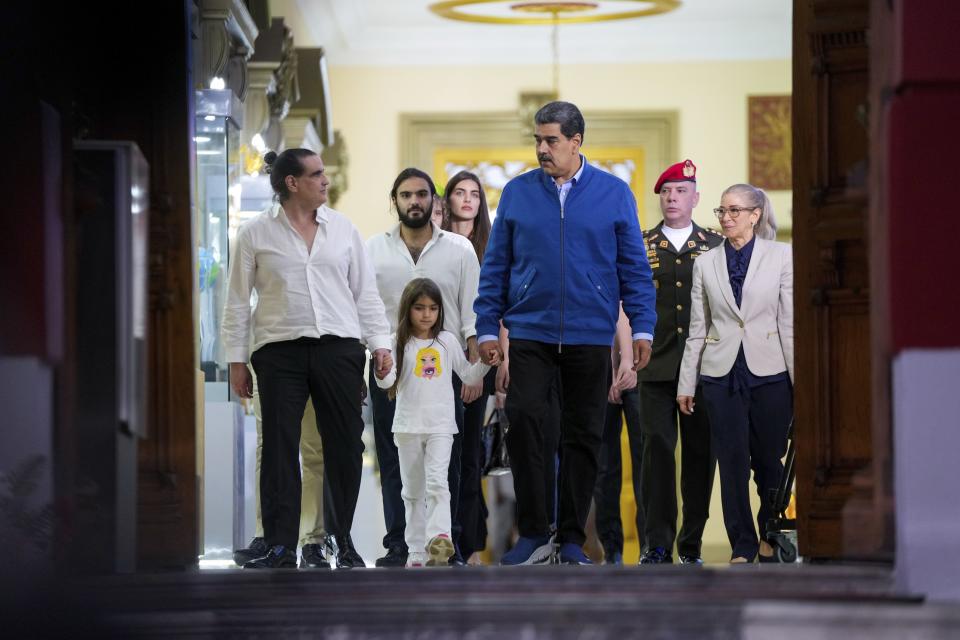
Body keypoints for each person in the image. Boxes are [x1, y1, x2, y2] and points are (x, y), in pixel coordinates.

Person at [474, 101, 657, 565]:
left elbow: (634, 269)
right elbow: (496, 266)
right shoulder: (516, 193)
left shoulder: (614, 194)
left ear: (576, 142)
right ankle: (534, 533)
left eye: (551, 140)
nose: (541, 148)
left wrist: (643, 329)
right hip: (531, 332)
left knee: (584, 435)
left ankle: (572, 538)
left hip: (590, 335)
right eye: (537, 139)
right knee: (527, 426)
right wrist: (486, 328)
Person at [222, 148, 392, 569]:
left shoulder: (344, 230)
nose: (325, 181)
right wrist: (236, 360)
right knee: (279, 448)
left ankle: (338, 538)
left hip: (340, 349)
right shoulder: (255, 234)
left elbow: (365, 294)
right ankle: (280, 545)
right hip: (278, 352)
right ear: (292, 183)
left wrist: (380, 344)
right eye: (316, 174)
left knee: (345, 447)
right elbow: (237, 303)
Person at [366, 168, 481, 567]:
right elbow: (366, 309)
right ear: (394, 200)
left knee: (452, 459)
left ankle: (448, 544)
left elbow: (471, 311)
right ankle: (400, 543)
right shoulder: (373, 250)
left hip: (447, 361)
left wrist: (474, 365)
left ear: (435, 201)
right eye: (405, 195)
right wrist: (376, 354)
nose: (414, 201)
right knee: (394, 456)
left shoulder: (459, 250)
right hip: (390, 362)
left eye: (421, 194)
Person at [677, 183, 793, 564]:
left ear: (755, 215)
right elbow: (698, 327)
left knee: (768, 460)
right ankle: (742, 545)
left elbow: (789, 324)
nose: (726, 218)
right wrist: (687, 382)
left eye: (734, 211)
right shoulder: (705, 262)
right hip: (720, 373)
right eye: (721, 211)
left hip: (771, 372)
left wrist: (800, 382)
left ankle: (770, 536)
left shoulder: (781, 256)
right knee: (731, 462)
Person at [638, 160, 723, 565]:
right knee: (655, 451)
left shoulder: (716, 244)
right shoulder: (641, 243)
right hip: (654, 366)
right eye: (666, 191)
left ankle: (690, 545)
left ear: (695, 198)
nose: (672, 198)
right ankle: (657, 544)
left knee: (699, 456)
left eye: (680, 191)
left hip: (704, 366)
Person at [375, 278, 490, 567]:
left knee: (439, 483)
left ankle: (440, 538)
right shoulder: (395, 342)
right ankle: (415, 551)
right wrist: (381, 369)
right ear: (407, 309)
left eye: (433, 308)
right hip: (407, 427)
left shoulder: (448, 341)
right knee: (412, 491)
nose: (427, 315)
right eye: (420, 308)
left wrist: (488, 361)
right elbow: (387, 381)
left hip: (441, 427)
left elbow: (469, 376)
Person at [441, 170, 495, 563]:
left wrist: (480, 371)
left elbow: (496, 311)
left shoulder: (491, 247)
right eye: (459, 192)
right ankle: (439, 538)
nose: (466, 200)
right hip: (436, 361)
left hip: (478, 357)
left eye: (473, 194)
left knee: (471, 453)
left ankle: (471, 543)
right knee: (441, 451)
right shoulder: (435, 244)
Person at [232, 378, 329, 569]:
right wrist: (238, 359)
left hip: (316, 356)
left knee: (315, 450)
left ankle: (312, 540)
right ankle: (265, 534)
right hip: (269, 356)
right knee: (269, 446)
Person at [592, 307, 644, 565]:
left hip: (640, 364)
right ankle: (611, 547)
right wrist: (611, 364)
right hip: (600, 362)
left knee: (644, 463)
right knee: (604, 466)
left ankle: (649, 544)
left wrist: (624, 362)